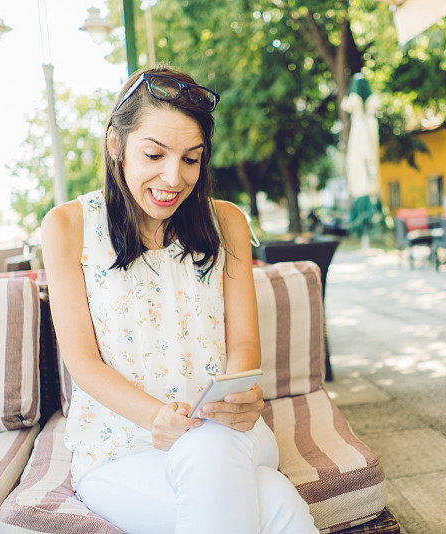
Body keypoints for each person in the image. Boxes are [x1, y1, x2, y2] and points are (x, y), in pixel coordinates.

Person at [41, 65, 317, 534]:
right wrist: (156, 419)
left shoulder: (226, 221)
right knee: (276, 505)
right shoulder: (69, 226)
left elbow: (244, 343)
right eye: (154, 154)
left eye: (191, 159)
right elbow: (82, 363)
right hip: (119, 451)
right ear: (115, 143)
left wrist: (243, 395)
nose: (174, 177)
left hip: (232, 435)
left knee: (209, 447)